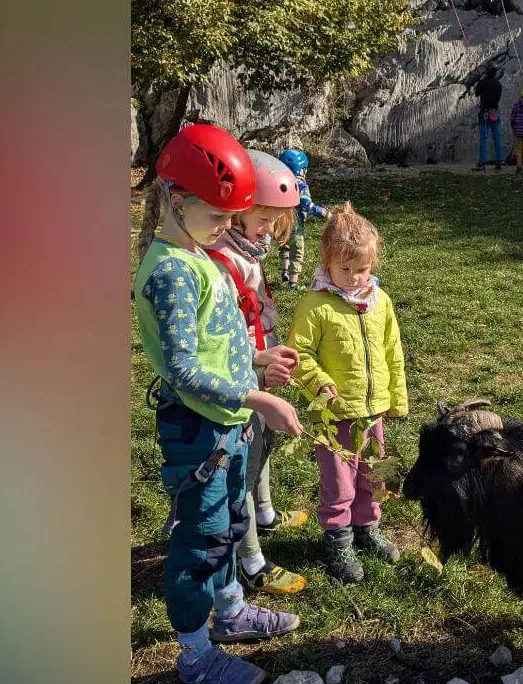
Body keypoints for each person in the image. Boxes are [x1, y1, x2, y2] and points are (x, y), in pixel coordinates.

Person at [132, 123, 304, 684]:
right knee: (198, 542)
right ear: (176, 203)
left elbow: (213, 344)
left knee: (229, 524)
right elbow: (183, 371)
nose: (228, 228)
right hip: (197, 430)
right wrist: (258, 397)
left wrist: (256, 360)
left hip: (226, 423)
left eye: (234, 217)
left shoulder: (198, 251)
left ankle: (230, 612)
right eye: (218, 216)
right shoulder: (172, 273)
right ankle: (195, 654)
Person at [205, 149, 310, 597]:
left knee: (263, 441)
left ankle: (264, 513)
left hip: (258, 364)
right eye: (265, 220)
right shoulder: (221, 263)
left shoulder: (246, 251)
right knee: (242, 467)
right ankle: (251, 560)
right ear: (239, 213)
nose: (271, 231)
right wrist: (257, 362)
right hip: (240, 374)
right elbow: (222, 339)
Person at [286, 202, 409, 584]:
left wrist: (396, 399)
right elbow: (299, 354)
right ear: (326, 262)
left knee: (373, 475)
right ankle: (338, 540)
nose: (355, 278)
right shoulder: (315, 305)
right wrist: (318, 384)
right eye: (345, 270)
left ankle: (367, 528)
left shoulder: (380, 302)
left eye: (362, 269)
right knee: (338, 480)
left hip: (373, 412)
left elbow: (393, 350)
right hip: (335, 414)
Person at [276, 148, 328, 291]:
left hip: (280, 221)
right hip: (295, 224)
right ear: (302, 169)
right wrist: (320, 211)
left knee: (284, 246)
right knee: (297, 251)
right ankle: (293, 282)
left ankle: (284, 273)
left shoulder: (280, 181)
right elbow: (305, 202)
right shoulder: (301, 184)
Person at [473, 66, 503, 171]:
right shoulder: (499, 84)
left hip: (485, 112)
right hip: (495, 111)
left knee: (484, 138)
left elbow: (476, 94)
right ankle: (500, 161)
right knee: (497, 137)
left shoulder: (482, 83)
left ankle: (482, 162)